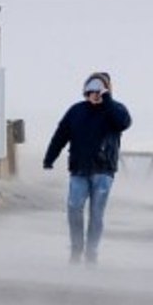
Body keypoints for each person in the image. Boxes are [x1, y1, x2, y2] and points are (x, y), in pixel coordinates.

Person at [43, 72, 132, 265]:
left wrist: (107, 100)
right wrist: (49, 158)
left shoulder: (115, 110)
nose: (94, 94)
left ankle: (91, 253)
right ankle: (76, 249)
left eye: (98, 90)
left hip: (104, 170)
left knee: (96, 213)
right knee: (74, 207)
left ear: (106, 90)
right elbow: (60, 135)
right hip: (79, 169)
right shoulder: (76, 111)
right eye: (90, 90)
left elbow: (124, 123)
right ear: (85, 91)